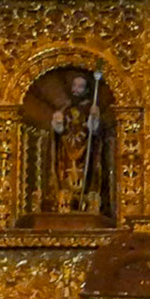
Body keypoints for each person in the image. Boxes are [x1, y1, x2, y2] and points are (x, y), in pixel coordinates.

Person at [48, 72, 103, 214]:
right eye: (75, 86)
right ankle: (64, 200)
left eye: (80, 86)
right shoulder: (65, 109)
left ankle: (87, 200)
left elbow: (94, 131)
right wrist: (58, 122)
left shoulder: (90, 109)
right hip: (66, 149)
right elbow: (58, 131)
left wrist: (94, 117)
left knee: (85, 172)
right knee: (65, 175)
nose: (76, 89)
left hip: (85, 149)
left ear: (86, 90)